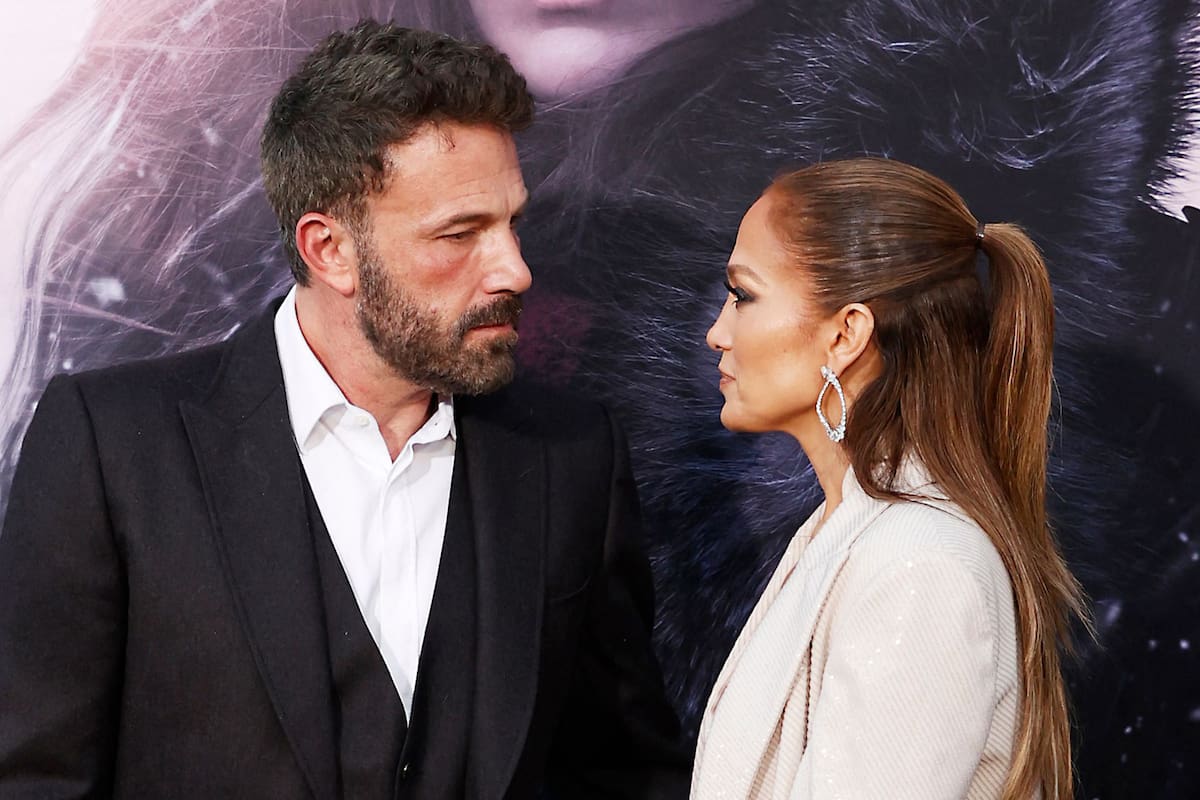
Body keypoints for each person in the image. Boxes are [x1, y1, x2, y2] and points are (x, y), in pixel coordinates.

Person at [0, 21, 689, 799]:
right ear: (330, 250)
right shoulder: (112, 446)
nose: (516, 270)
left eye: (512, 223)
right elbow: (36, 778)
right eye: (460, 234)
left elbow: (626, 773)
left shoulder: (571, 456)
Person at [691, 158, 1089, 799]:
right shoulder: (849, 532)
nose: (717, 333)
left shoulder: (917, 567)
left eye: (743, 296)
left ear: (846, 333)